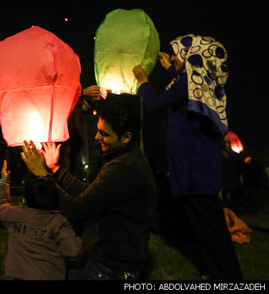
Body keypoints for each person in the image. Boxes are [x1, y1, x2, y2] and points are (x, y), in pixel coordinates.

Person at [133, 34, 242, 280]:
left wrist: (143, 82)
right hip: (197, 168)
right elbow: (184, 87)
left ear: (191, 56)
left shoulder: (187, 85)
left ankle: (228, 277)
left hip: (196, 171)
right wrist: (173, 69)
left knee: (210, 228)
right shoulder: (194, 82)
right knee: (204, 226)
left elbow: (155, 103)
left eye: (177, 53)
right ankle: (213, 271)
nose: (172, 57)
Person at [21, 93, 157, 280]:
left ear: (126, 137)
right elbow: (90, 192)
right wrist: (55, 169)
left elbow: (76, 209)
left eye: (104, 133)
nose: (96, 136)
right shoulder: (124, 159)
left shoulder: (125, 168)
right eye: (99, 130)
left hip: (109, 269)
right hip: (108, 262)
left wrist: (43, 176)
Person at [0, 161, 84, 280]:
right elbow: (74, 251)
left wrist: (4, 181)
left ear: (25, 198)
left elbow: (0, 205)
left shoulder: (15, 215)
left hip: (20, 276)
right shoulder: (58, 222)